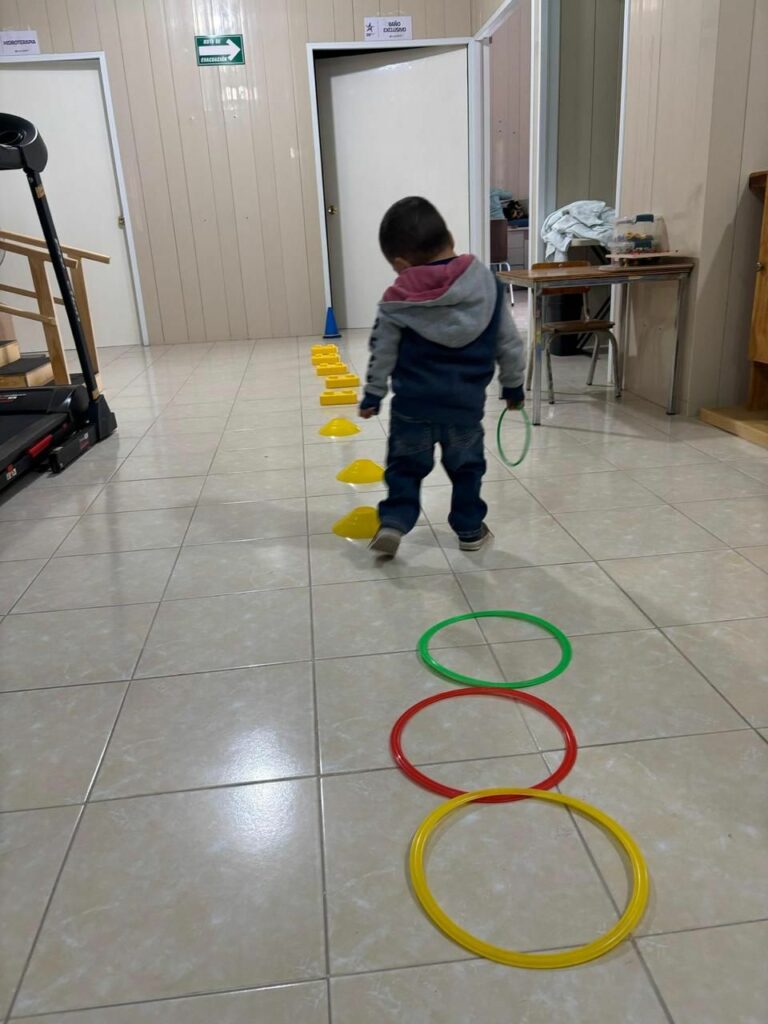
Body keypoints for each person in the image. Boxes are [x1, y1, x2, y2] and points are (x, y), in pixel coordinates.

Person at [359, 196, 526, 558]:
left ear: (400, 264)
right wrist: (513, 385)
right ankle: (469, 529)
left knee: (404, 469)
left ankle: (394, 522)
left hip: (412, 409)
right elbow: (510, 343)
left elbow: (382, 351)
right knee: (467, 470)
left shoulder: (397, 298)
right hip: (464, 408)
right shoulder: (487, 285)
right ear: (449, 238)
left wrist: (373, 393)